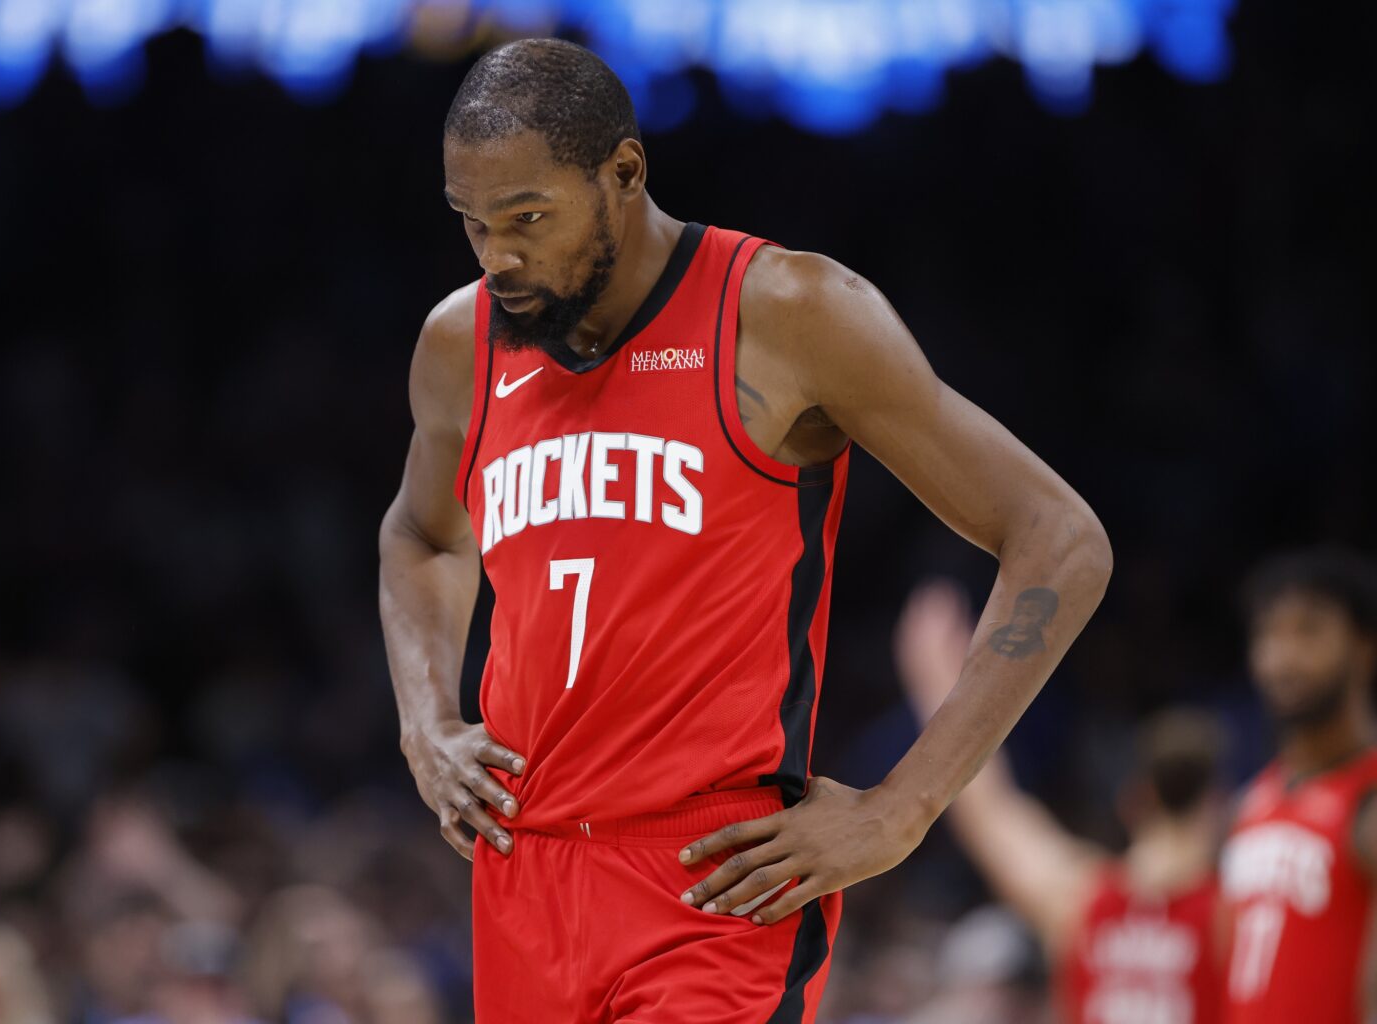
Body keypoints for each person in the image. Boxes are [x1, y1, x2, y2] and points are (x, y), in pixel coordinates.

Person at [377, 37, 1112, 1023]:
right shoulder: (462, 340)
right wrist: (426, 723)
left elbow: (1058, 536)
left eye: (529, 219)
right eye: (471, 224)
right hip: (525, 873)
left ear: (625, 174)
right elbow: (422, 537)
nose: (498, 255)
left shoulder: (786, 312)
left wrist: (905, 806)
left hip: (713, 882)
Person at [896, 581, 1224, 1024]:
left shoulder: (1082, 900)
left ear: (1133, 800)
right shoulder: (1235, 914)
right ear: (1218, 807)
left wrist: (936, 683)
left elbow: (987, 808)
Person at [1221, 548, 1377, 1024]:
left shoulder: (1368, 800)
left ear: (1364, 647)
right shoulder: (1248, 802)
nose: (1284, 656)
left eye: (1308, 630)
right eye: (1269, 633)